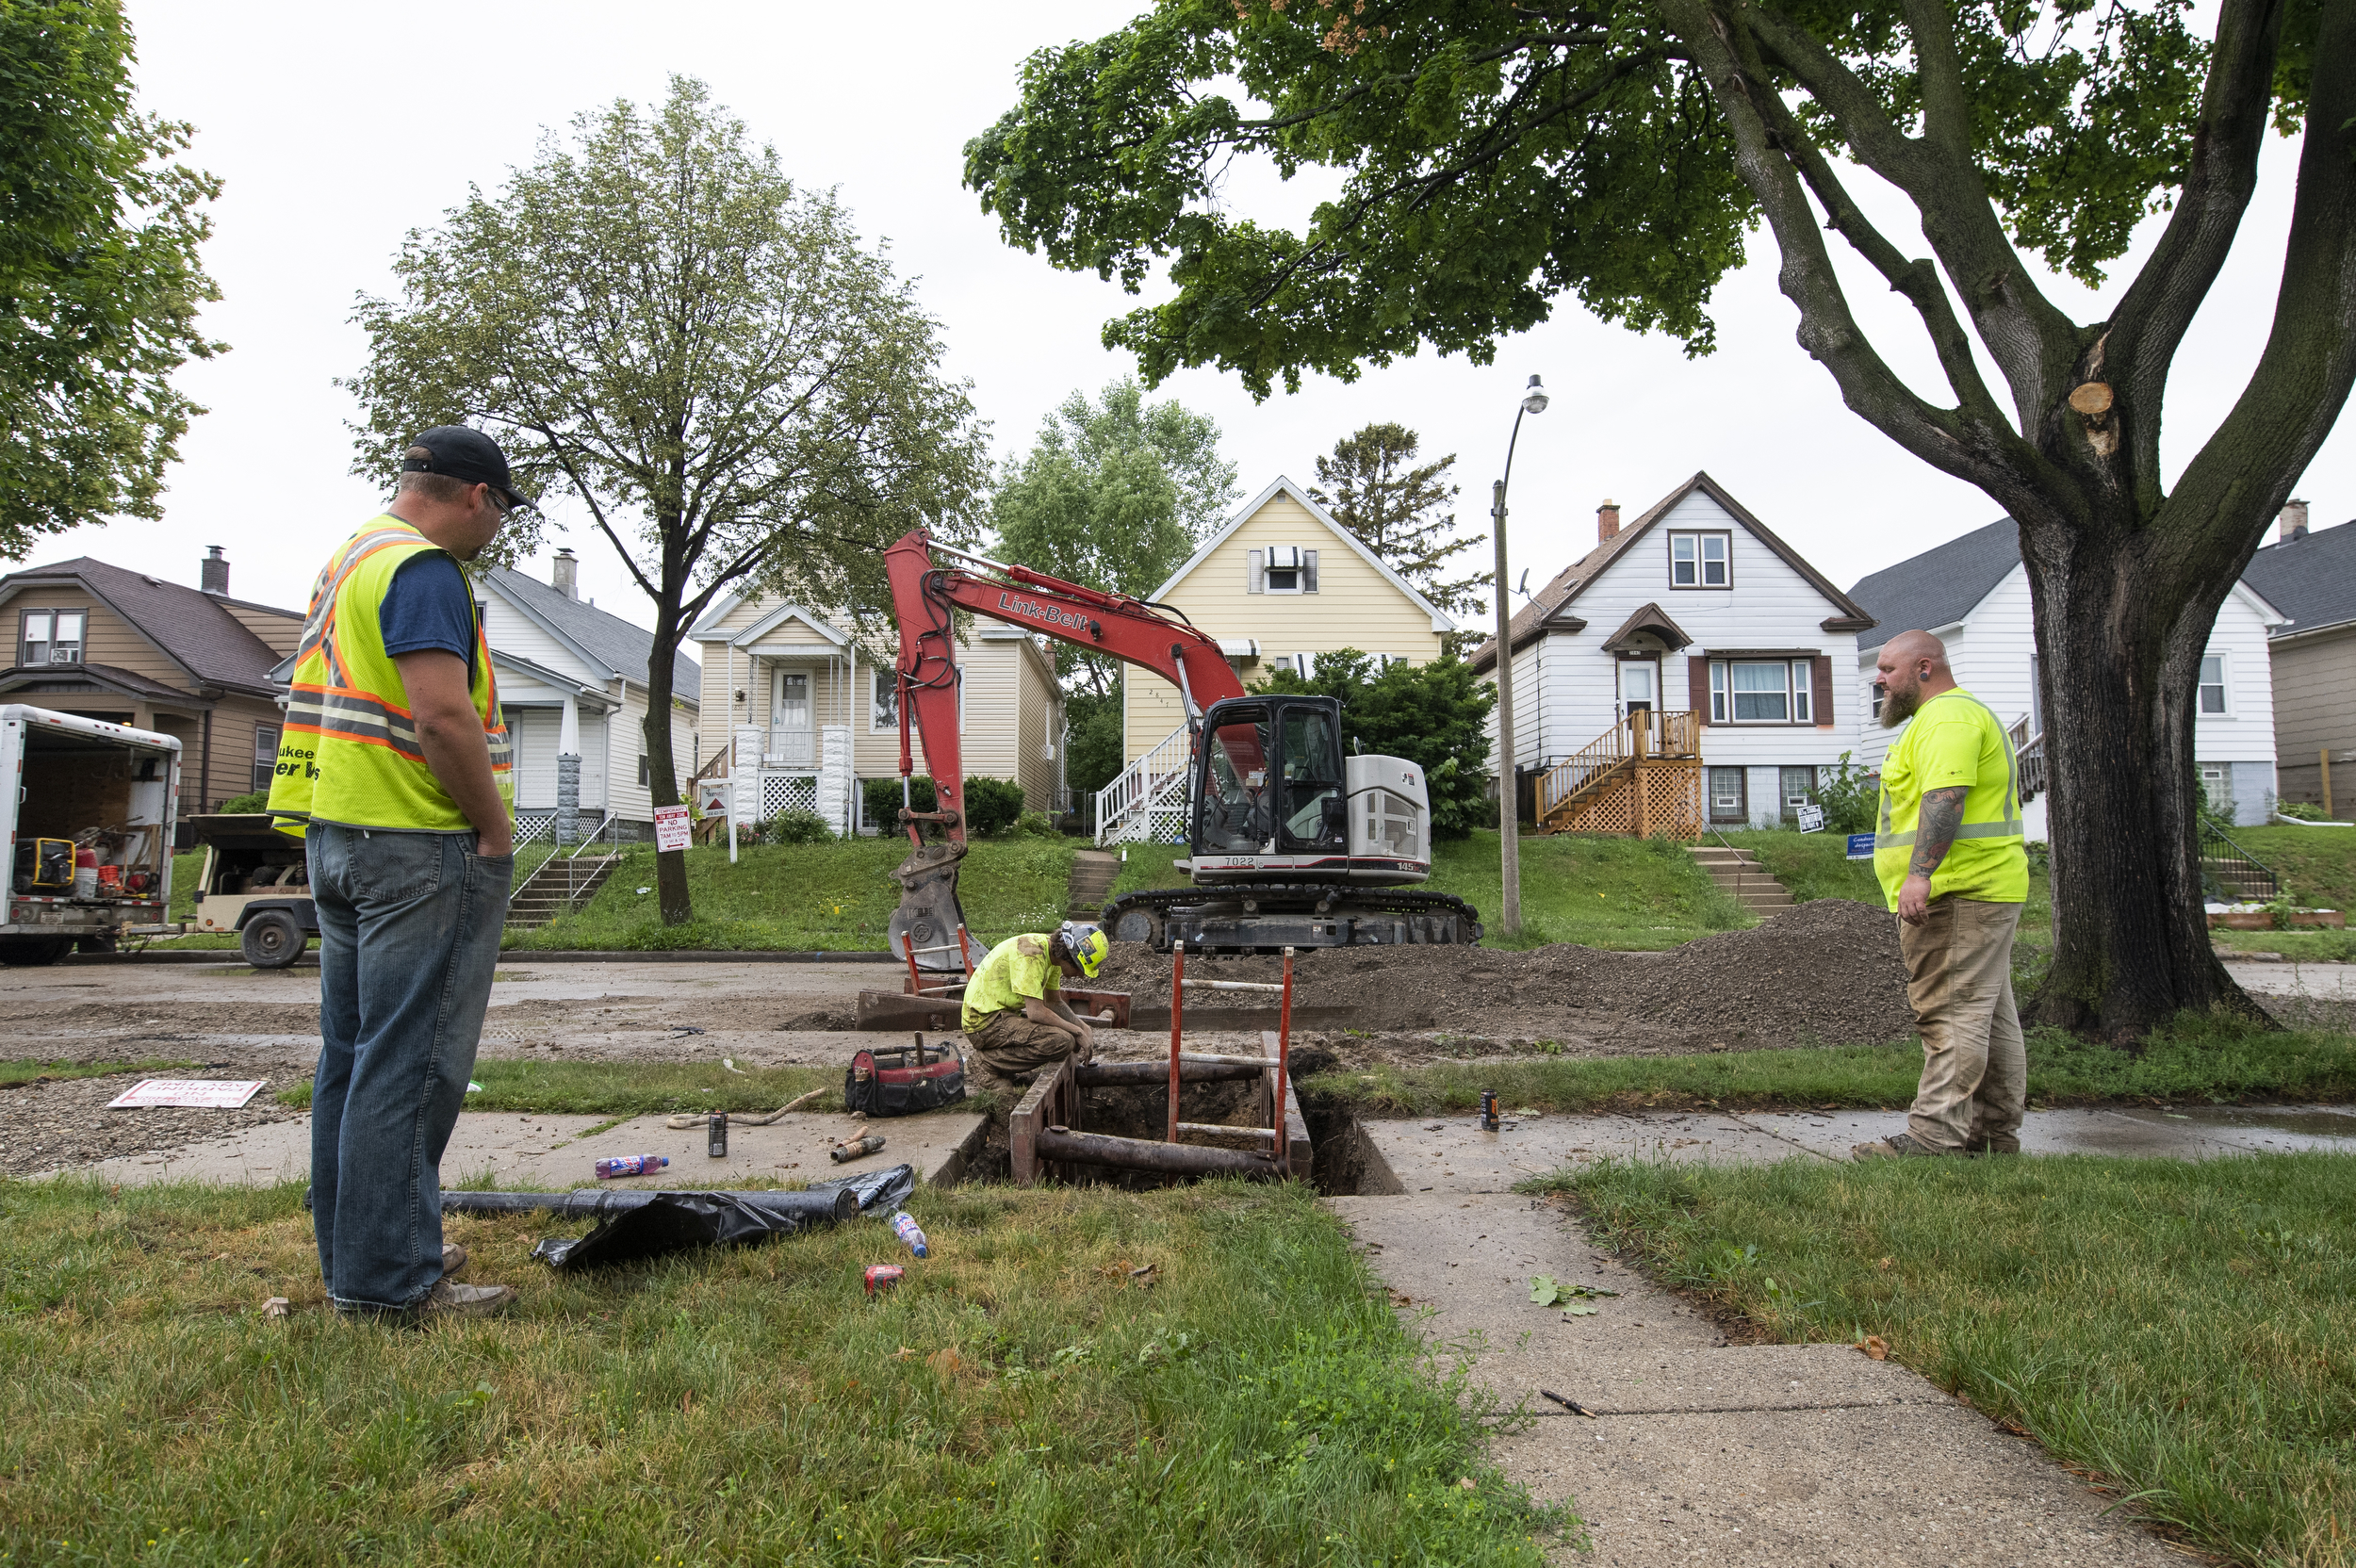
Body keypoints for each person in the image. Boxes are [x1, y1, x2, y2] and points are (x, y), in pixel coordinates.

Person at [270, 426, 530, 1316]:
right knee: (411, 1067)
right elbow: (441, 717)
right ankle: (390, 1283)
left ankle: (363, 1257)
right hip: (418, 840)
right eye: (500, 514)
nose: (494, 534)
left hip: (337, 834)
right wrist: (494, 835)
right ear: (476, 497)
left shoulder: (349, 560)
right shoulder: (422, 571)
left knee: (351, 1060)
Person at [1853, 629, 2029, 1160]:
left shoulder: (1947, 718)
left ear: (1924, 668)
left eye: (1887, 670)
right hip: (1982, 889)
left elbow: (1947, 797)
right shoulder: (1945, 718)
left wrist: (1920, 874)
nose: (1878, 679)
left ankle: (1933, 1138)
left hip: (1959, 892)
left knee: (1949, 1014)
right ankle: (1991, 1136)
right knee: (1988, 1018)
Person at [959, 921, 1111, 1086]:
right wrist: (1077, 1032)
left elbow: (1053, 1002)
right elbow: (1036, 1012)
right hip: (982, 1022)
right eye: (1080, 969)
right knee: (1062, 1041)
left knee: (1070, 1038)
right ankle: (985, 1063)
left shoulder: (1053, 956)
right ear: (1070, 957)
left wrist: (1084, 1028)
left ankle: (1000, 1064)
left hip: (1002, 1015)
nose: (1081, 976)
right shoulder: (1031, 954)